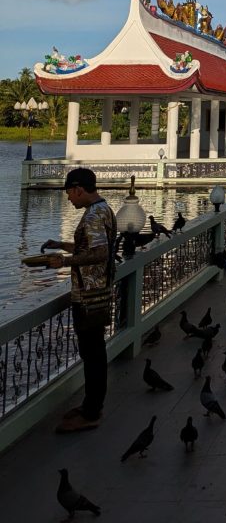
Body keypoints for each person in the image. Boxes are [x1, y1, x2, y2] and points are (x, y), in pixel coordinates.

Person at [42, 167, 117, 433]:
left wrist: (64, 262)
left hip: (89, 295)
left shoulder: (94, 215)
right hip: (98, 291)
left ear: (78, 189)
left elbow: (100, 254)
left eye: (69, 193)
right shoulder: (103, 209)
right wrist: (62, 245)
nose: (69, 198)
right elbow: (90, 247)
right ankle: (90, 405)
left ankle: (92, 412)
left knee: (92, 353)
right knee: (93, 351)